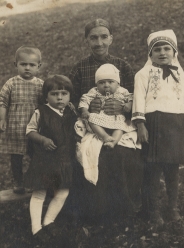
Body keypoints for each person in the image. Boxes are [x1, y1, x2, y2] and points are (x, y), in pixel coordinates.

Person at [69, 18, 144, 222]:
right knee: (92, 153)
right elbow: (70, 100)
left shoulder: (122, 66)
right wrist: (83, 108)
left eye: (104, 37)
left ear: (111, 38)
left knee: (122, 152)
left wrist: (125, 108)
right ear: (86, 40)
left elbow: (136, 98)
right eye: (93, 38)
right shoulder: (79, 68)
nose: (99, 42)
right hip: (92, 125)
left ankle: (124, 207)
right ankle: (97, 210)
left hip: (121, 123)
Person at [131, 30, 184, 228]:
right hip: (154, 124)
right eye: (157, 49)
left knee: (173, 170)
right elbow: (138, 100)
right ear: (150, 54)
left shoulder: (180, 75)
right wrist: (141, 124)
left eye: (167, 48)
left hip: (176, 125)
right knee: (153, 170)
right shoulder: (143, 74)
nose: (162, 53)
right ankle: (153, 211)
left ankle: (172, 208)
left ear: (174, 52)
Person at [24, 75, 77, 244]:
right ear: (46, 96)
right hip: (45, 161)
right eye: (55, 94)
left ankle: (48, 221)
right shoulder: (41, 111)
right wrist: (43, 140)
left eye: (64, 93)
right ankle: (36, 228)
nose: (60, 97)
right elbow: (30, 131)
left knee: (62, 192)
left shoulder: (71, 111)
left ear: (69, 95)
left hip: (64, 161)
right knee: (39, 192)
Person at [0, 46, 43, 194]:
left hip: (34, 129)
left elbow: (45, 105)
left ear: (39, 66)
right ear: (16, 65)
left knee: (35, 155)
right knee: (16, 157)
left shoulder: (40, 85)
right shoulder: (11, 83)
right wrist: (2, 119)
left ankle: (33, 181)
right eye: (23, 64)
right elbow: (3, 102)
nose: (27, 68)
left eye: (32, 65)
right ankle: (18, 182)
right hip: (16, 127)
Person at [79, 63, 133, 148]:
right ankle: (105, 136)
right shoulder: (94, 91)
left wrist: (129, 104)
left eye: (111, 82)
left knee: (120, 126)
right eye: (101, 82)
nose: (106, 85)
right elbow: (85, 99)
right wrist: (84, 110)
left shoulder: (122, 91)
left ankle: (113, 142)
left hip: (116, 117)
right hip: (100, 116)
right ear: (96, 84)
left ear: (118, 84)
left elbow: (131, 97)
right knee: (91, 118)